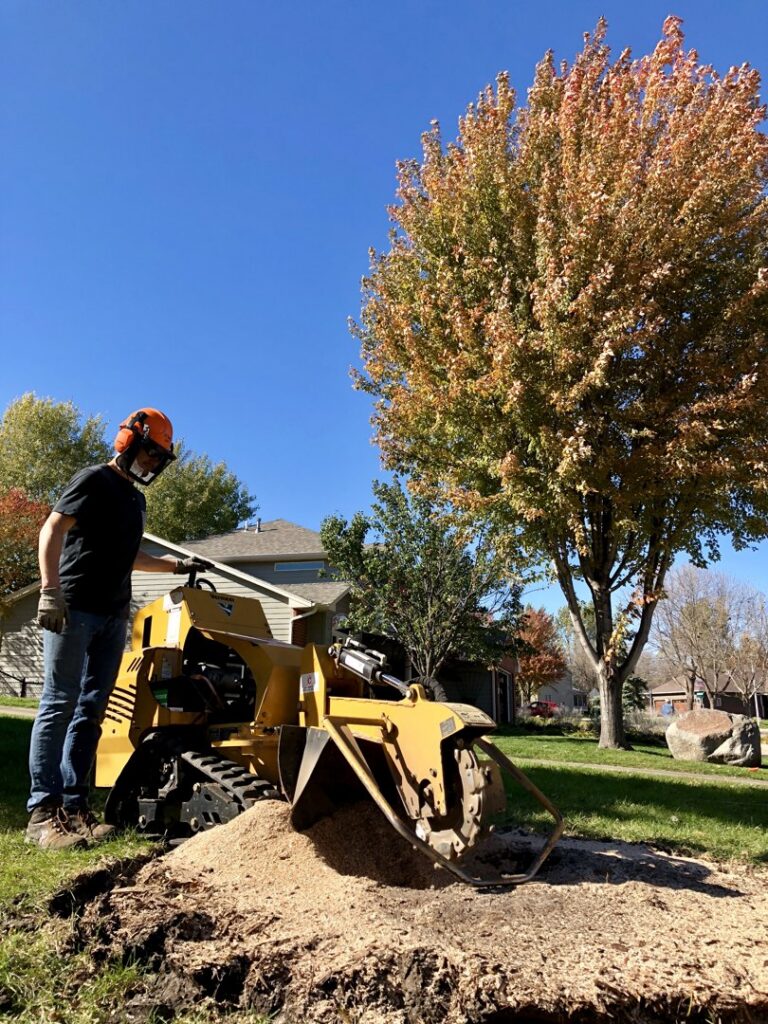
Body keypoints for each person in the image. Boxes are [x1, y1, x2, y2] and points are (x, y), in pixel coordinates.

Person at [26, 407, 211, 850]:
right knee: (58, 703)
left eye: (159, 459)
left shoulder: (136, 500)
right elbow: (52, 530)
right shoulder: (93, 480)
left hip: (112, 616)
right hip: (74, 609)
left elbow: (129, 555)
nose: (151, 463)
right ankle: (41, 812)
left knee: (91, 710)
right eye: (149, 452)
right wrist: (50, 591)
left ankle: (74, 807)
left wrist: (176, 565)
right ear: (128, 441)